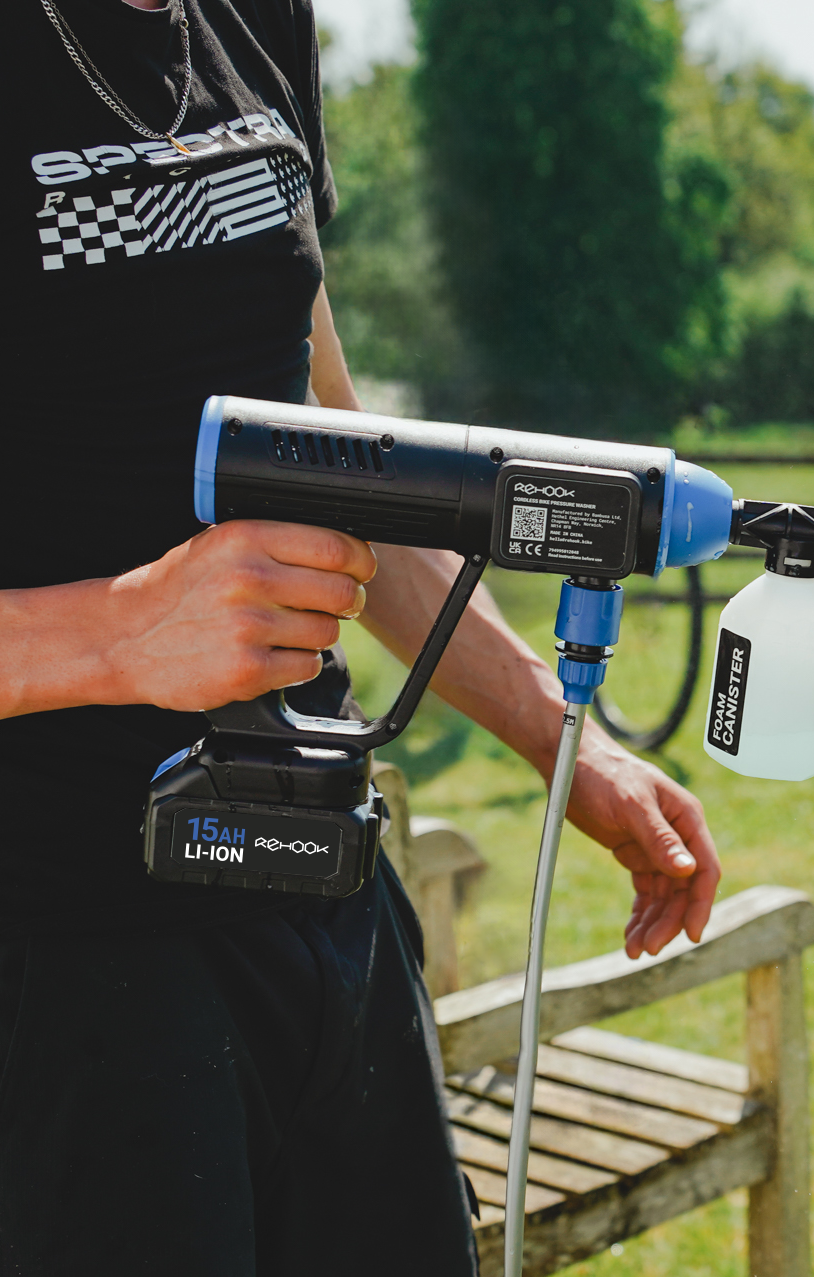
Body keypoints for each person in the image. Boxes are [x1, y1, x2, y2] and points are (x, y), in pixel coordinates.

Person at [4, 1, 721, 1272]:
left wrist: (568, 745)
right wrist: (113, 634)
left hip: (312, 880)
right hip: (59, 952)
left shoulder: (256, 20)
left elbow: (349, 468)